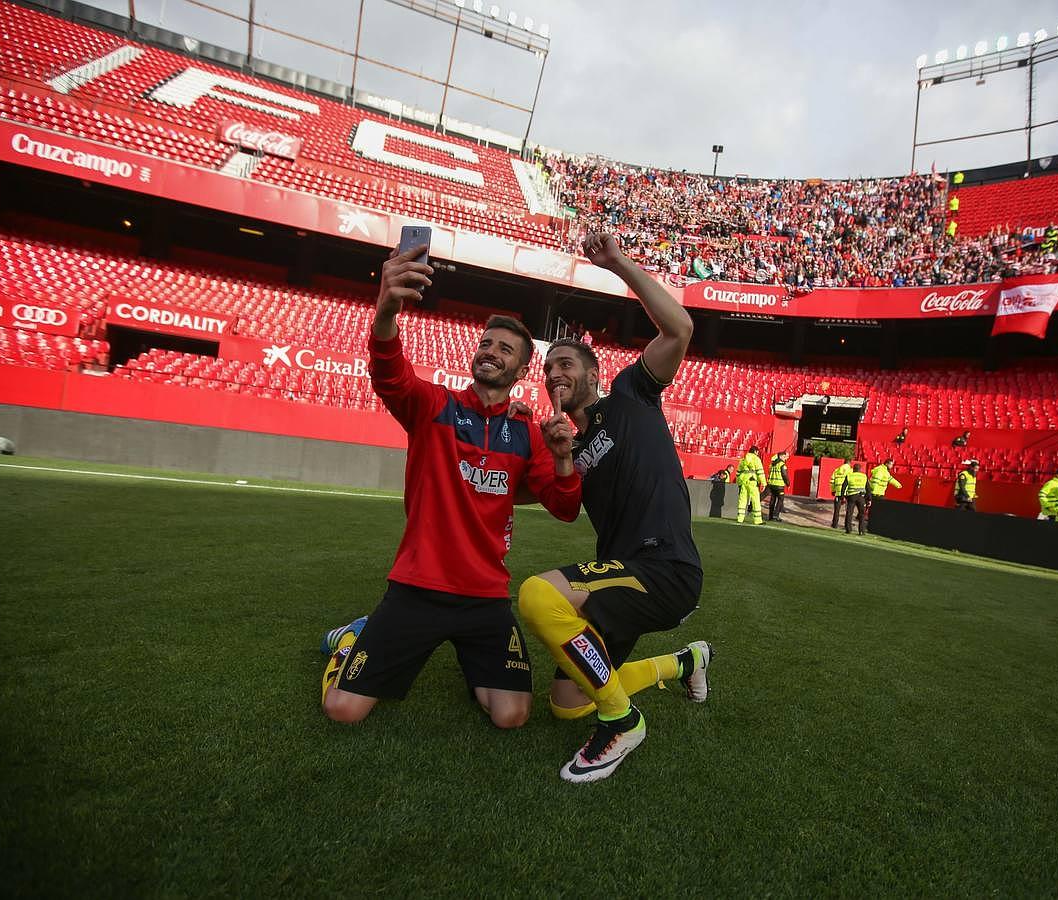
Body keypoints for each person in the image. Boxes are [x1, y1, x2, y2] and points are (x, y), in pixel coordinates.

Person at [318, 244, 583, 730]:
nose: (491, 352)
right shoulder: (434, 406)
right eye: (487, 343)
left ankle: (472, 661)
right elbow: (389, 373)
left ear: (521, 371)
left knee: (511, 716)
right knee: (343, 711)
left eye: (505, 349)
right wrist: (386, 311)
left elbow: (565, 507)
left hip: (484, 596)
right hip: (417, 587)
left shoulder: (529, 433)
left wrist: (564, 457)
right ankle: (352, 639)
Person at [518, 232, 710, 783]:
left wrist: (618, 263)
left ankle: (623, 722)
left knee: (536, 595)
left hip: (665, 567)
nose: (554, 374)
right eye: (548, 369)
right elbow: (552, 502)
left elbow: (680, 329)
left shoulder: (631, 394)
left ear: (593, 375)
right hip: (620, 576)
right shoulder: (567, 446)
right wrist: (552, 455)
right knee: (568, 703)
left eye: (565, 364)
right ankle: (686, 662)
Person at [866, 458, 902, 528]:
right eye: (891, 464)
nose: (892, 466)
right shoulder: (880, 470)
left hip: (879, 493)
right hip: (875, 493)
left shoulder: (885, 471)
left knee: (874, 509)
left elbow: (890, 479)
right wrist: (873, 491)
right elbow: (875, 481)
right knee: (873, 509)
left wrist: (898, 484)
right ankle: (869, 524)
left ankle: (870, 522)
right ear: (886, 464)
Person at [735, 445, 765, 525]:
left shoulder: (743, 459)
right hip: (752, 481)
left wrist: (739, 482)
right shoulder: (756, 459)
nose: (758, 453)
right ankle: (758, 520)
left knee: (742, 500)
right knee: (755, 500)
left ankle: (740, 519)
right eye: (757, 452)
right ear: (755, 451)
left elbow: (738, 472)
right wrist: (763, 483)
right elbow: (760, 472)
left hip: (744, 481)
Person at [843, 462, 869, 535]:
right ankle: (861, 531)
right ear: (860, 469)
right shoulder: (864, 476)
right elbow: (868, 488)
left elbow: (844, 486)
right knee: (862, 514)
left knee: (849, 513)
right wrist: (869, 499)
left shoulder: (849, 476)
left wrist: (842, 496)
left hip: (851, 497)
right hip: (861, 497)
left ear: (853, 469)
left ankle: (848, 529)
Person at [766, 450, 791, 522]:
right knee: (780, 500)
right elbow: (784, 475)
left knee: (772, 500)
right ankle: (776, 516)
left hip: (771, 484)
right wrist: (788, 484)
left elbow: (769, 473)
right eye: (785, 456)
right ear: (781, 456)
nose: (786, 458)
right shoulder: (782, 465)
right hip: (779, 485)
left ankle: (770, 516)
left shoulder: (772, 464)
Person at [829, 457, 852, 528]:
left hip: (838, 492)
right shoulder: (851, 470)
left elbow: (832, 481)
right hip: (847, 492)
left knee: (837, 510)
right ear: (849, 463)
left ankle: (834, 524)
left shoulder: (836, 470)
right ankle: (847, 525)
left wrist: (833, 490)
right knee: (849, 510)